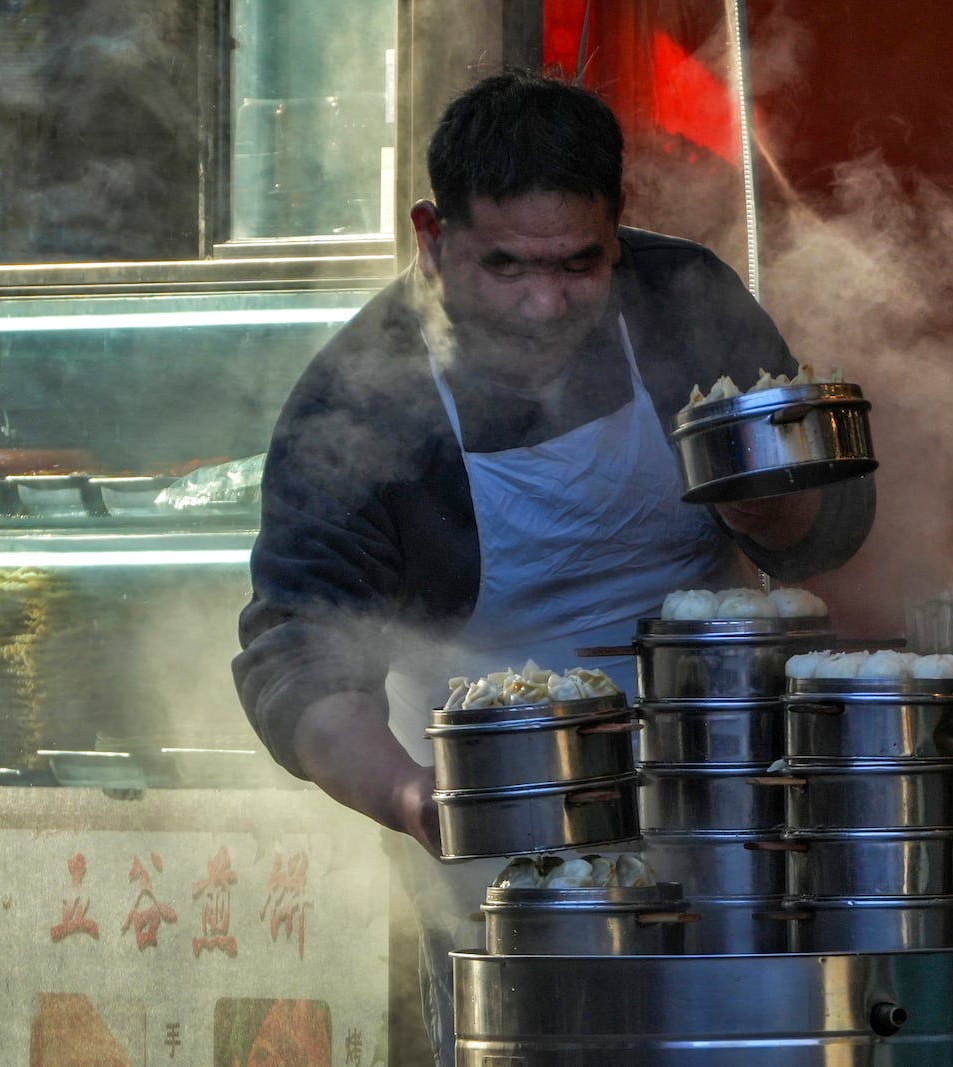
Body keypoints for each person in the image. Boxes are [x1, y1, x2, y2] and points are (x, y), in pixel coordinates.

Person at [232, 69, 875, 1064]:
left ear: (619, 229)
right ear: (432, 236)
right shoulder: (357, 400)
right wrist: (414, 799)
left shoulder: (684, 300)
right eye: (504, 266)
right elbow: (301, 654)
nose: (543, 303)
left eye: (579, 264)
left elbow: (827, 519)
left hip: (721, 779)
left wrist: (780, 508)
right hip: (502, 819)